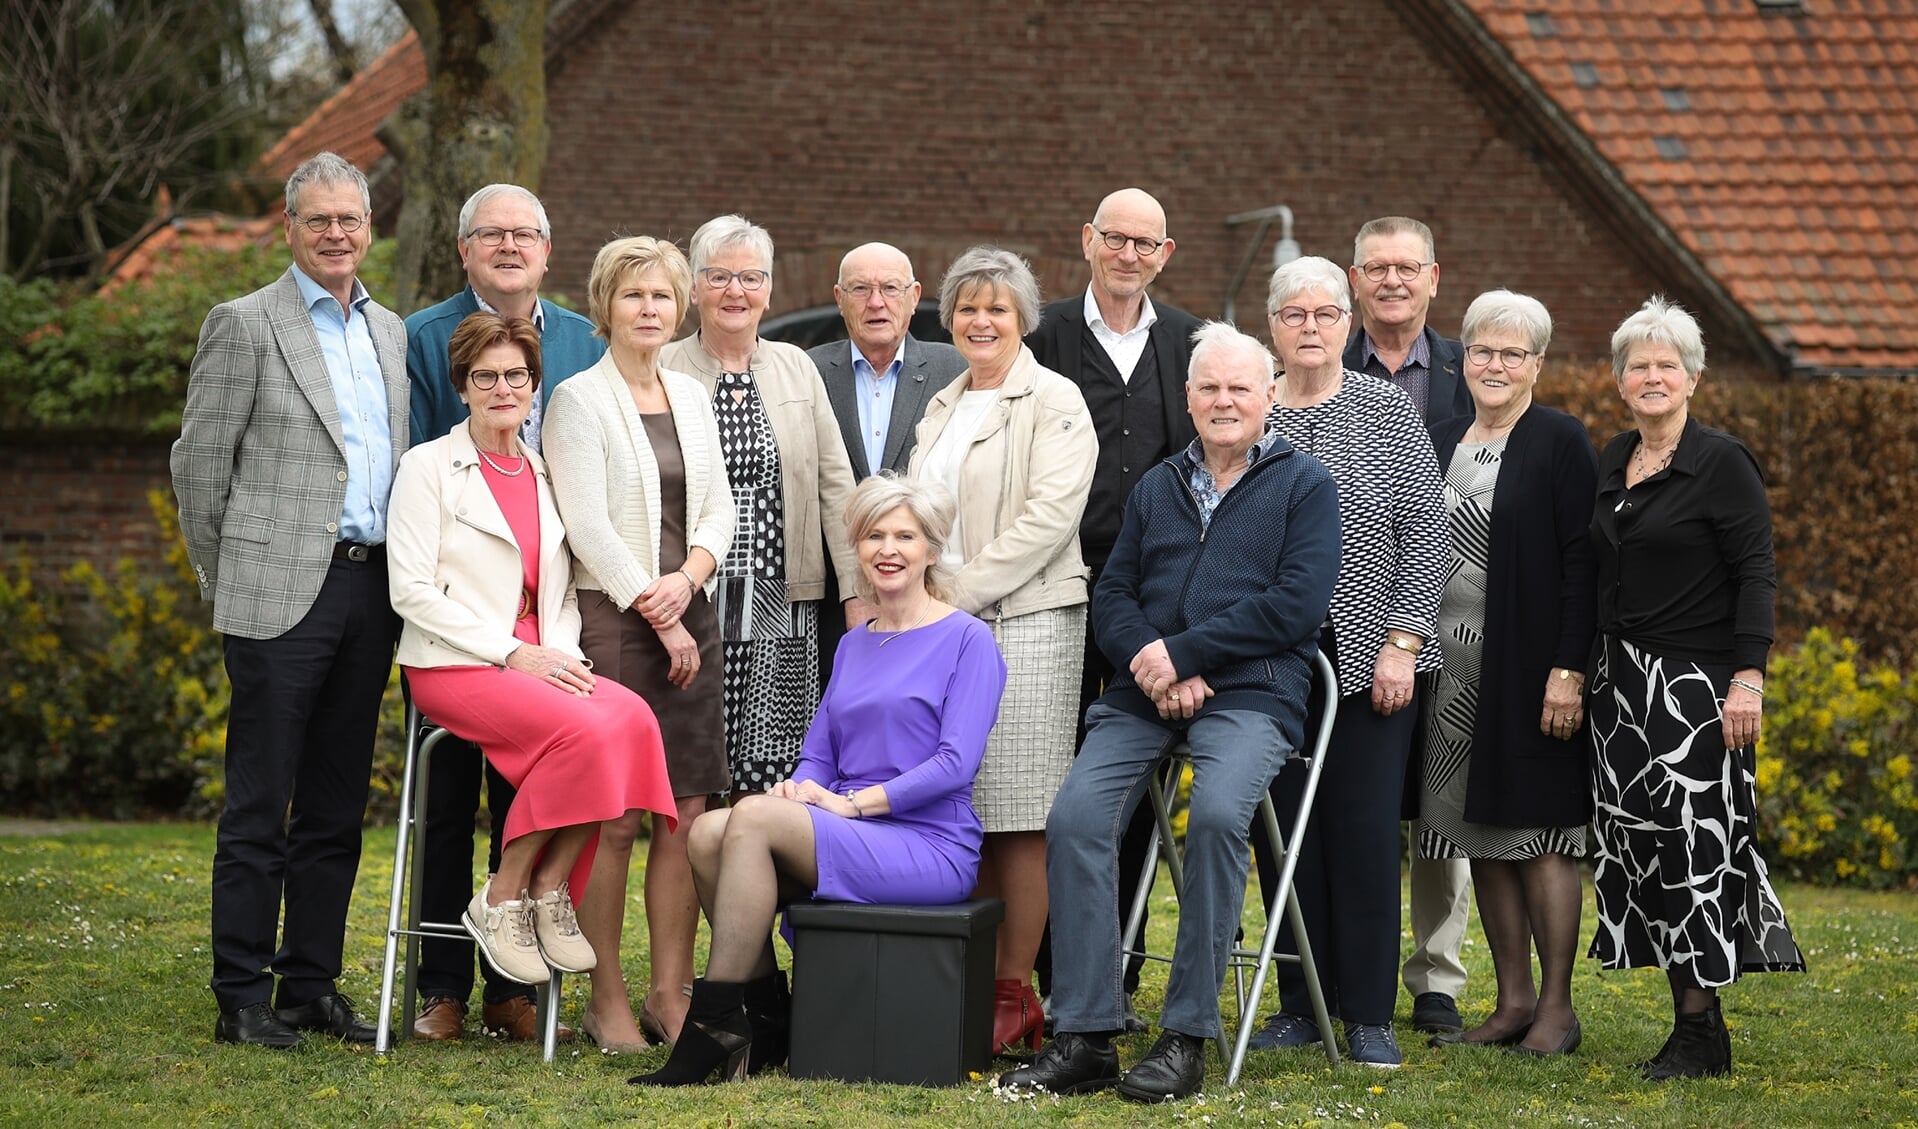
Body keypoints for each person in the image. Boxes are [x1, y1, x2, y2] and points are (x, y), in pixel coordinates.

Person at [1003, 323, 1340, 1103]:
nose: (1224, 401)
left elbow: (1297, 606)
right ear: (1188, 398)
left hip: (1254, 691)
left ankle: (1186, 1034)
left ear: (1268, 397)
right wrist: (1155, 666)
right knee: (1076, 817)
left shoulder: (1304, 483)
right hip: (1143, 694)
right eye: (1209, 388)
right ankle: (1086, 1032)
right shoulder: (1159, 485)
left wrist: (1185, 653)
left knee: (1221, 815)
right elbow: (1113, 594)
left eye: (1240, 388)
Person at [629, 475, 1008, 1086]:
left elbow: (955, 765)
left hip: (928, 843)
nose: (888, 548)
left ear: (932, 550)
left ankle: (715, 1025)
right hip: (845, 820)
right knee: (705, 833)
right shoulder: (856, 644)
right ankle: (764, 1013)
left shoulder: (968, 640)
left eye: (905, 536)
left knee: (747, 818)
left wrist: (852, 806)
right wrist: (800, 790)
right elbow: (820, 754)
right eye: (874, 535)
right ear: (857, 548)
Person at [171, 151, 407, 1049]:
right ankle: (240, 994)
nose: (337, 233)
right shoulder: (243, 324)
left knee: (338, 803)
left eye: (350, 219)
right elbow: (198, 468)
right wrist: (226, 578)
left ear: (370, 226)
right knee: (259, 802)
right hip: (276, 594)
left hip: (370, 587)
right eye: (319, 220)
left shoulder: (388, 332)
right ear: (289, 227)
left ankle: (310, 983)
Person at [388, 312, 678, 994]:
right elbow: (411, 591)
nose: (501, 388)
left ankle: (549, 886)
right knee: (584, 730)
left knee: (632, 718)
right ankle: (503, 892)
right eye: (484, 376)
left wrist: (561, 656)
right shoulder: (427, 467)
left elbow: (565, 593)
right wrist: (512, 656)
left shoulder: (546, 472)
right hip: (454, 662)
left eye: (515, 375)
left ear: (532, 383)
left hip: (539, 657)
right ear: (462, 386)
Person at [404, 182, 606, 1044]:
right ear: (465, 249)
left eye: (526, 233)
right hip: (457, 619)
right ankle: (442, 982)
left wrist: (555, 643)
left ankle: (508, 988)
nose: (510, 246)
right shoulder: (422, 337)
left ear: (549, 250)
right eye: (492, 234)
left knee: (530, 788)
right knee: (449, 803)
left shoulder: (581, 339)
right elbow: (417, 467)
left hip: (546, 614)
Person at [1588, 296, 1803, 1079]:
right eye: (1637, 365)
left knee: (1697, 849)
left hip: (1697, 693)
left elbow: (1757, 573)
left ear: (1694, 378)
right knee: (1643, 850)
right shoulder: (1616, 457)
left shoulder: (1721, 462)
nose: (1651, 376)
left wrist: (1748, 678)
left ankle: (1702, 1026)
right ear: (1619, 381)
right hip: (1621, 693)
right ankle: (1686, 1019)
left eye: (1665, 365)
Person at [1244, 256, 1450, 1068]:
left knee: (1362, 832)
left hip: (1371, 660)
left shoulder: (1385, 408)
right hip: (1270, 661)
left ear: (1347, 323)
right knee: (1284, 835)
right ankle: (1301, 1000)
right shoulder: (1252, 409)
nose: (1310, 329)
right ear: (1273, 327)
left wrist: (1403, 642)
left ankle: (1366, 1011)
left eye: (1326, 315)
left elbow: (1427, 535)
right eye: (1294, 315)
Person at [544, 236, 735, 1052]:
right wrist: (657, 611)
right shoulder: (577, 401)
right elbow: (586, 524)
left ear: (679, 306)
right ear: (605, 306)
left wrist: (689, 585)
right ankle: (605, 995)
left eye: (662, 296)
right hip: (615, 621)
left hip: (689, 609)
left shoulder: (693, 393)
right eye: (633, 297)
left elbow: (720, 508)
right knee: (618, 817)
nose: (649, 310)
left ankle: (669, 989)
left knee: (685, 813)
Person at [907, 246, 1096, 1055]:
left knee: (1019, 812)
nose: (980, 321)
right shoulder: (944, 400)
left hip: (1026, 623)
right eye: (967, 308)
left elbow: (1050, 518)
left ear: (1023, 318)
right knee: (965, 804)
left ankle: (1015, 992)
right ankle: (969, 976)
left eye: (997, 308)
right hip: (943, 629)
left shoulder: (1054, 399)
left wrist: (956, 593)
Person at [1025, 188, 1202, 1026]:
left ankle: (1117, 973)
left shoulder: (1189, 341)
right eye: (1115, 239)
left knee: (1130, 782)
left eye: (1146, 243)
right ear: (1087, 239)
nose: (1129, 254)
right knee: (1047, 781)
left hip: (1150, 604)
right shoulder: (1042, 335)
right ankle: (1045, 969)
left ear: (1165, 254)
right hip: (1051, 592)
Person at [1414, 291, 1596, 1058]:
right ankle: (1512, 997)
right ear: (1464, 359)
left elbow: (1585, 562)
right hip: (1450, 675)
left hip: (1528, 668)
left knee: (1542, 833)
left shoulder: (1559, 439)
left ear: (1537, 365)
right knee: (1479, 830)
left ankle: (1556, 1005)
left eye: (1511, 353)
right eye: (1482, 351)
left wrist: (1569, 668)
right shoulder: (1444, 433)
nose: (1494, 365)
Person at [660, 216, 861, 796]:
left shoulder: (797, 367)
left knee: (770, 779)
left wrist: (855, 595)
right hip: (690, 602)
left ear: (769, 289)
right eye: (719, 276)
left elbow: (835, 487)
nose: (735, 291)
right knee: (691, 781)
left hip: (783, 607)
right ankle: (693, 888)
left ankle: (751, 889)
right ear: (694, 288)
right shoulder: (666, 367)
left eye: (751, 277)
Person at [1346, 214, 1473, 1036]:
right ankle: (1341, 960)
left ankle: (1436, 975)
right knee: (1352, 801)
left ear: (1434, 277)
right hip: (1355, 623)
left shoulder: (1476, 370)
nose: (1391, 280)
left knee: (1442, 795)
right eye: (1376, 267)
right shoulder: (1314, 364)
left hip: (1455, 613)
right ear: (1353, 279)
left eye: (1406, 267)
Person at [807, 242, 966, 684]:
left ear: (915, 297)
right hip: (829, 601)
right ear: (839, 299)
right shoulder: (808, 371)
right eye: (861, 289)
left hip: (927, 593)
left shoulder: (956, 369)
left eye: (890, 288)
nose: (876, 302)